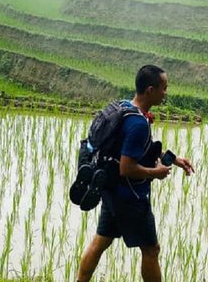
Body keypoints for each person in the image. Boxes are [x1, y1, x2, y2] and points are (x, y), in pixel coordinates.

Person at [76, 64, 194, 282]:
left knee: (101, 241)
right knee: (151, 250)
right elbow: (127, 168)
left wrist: (175, 160)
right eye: (164, 88)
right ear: (151, 90)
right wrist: (155, 173)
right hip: (130, 196)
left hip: (111, 190)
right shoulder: (138, 123)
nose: (166, 93)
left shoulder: (125, 108)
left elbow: (145, 148)